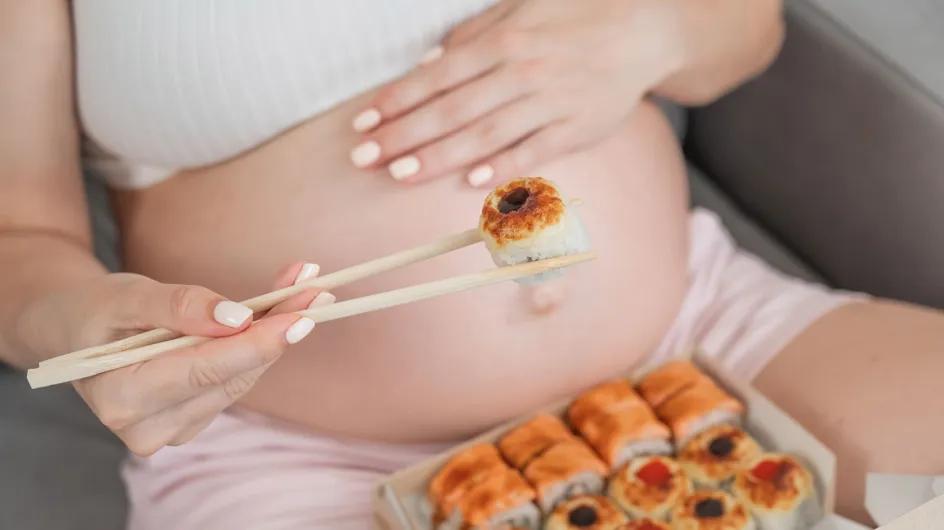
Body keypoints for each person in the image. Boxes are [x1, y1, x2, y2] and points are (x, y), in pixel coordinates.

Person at [0, 0, 940, 528]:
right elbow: (21, 242)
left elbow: (744, 27)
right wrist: (94, 324)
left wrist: (652, 30)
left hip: (703, 327)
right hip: (296, 450)